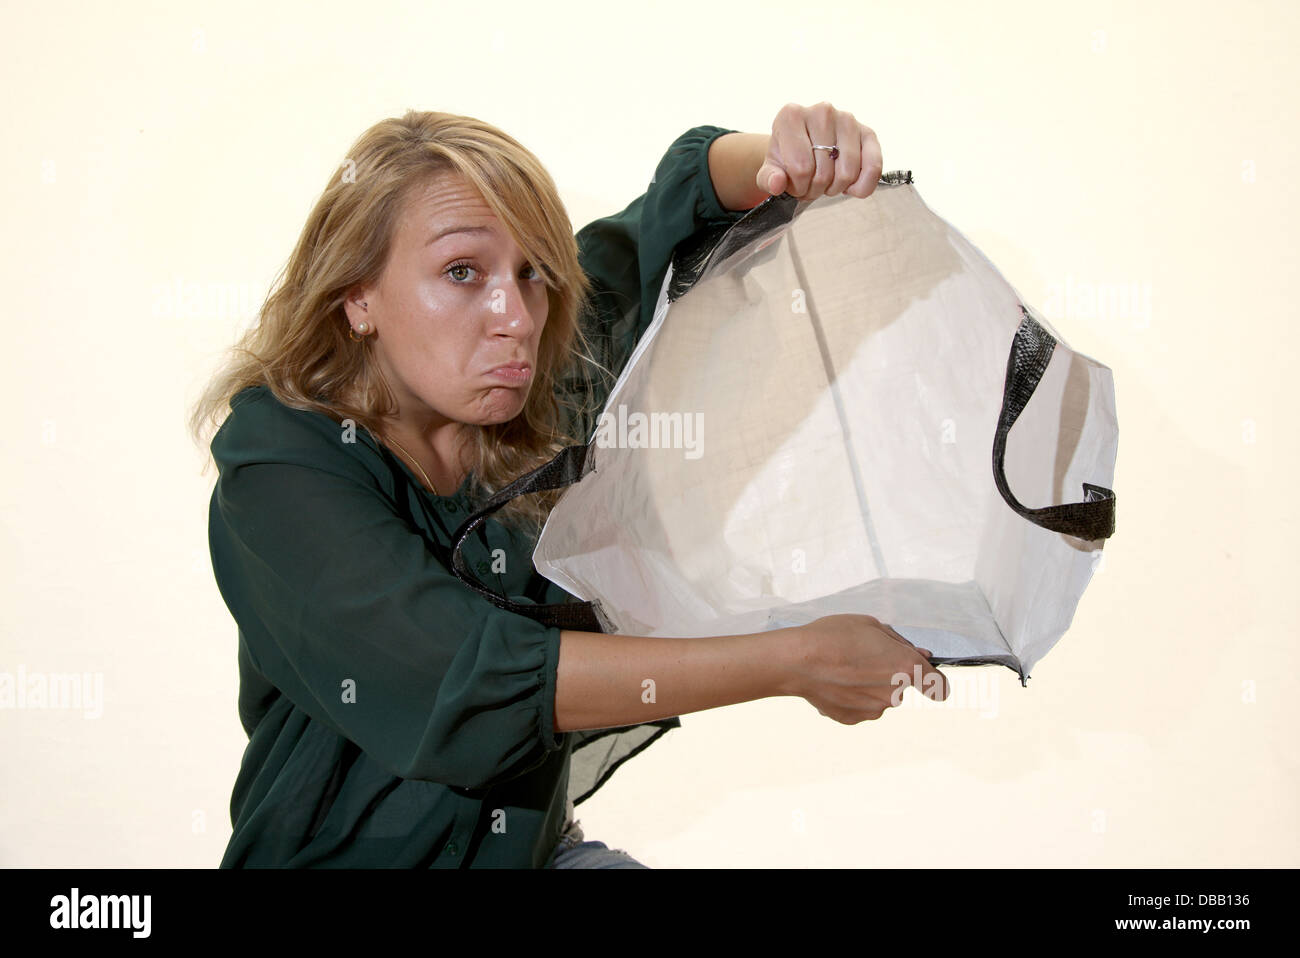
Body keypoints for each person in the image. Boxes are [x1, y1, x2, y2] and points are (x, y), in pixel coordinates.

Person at [189, 101, 948, 869]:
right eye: (461, 272)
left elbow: (675, 214)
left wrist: (785, 157)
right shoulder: (278, 467)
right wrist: (792, 661)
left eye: (534, 274)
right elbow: (464, 678)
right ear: (358, 297)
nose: (514, 316)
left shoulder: (540, 377)